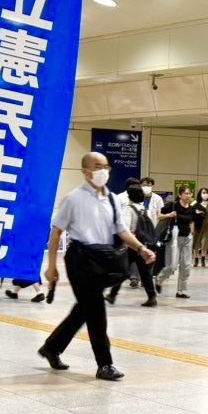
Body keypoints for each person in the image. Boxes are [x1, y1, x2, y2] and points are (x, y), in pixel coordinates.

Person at [39, 153, 158, 380]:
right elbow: (56, 233)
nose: (103, 170)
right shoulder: (73, 199)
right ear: (85, 171)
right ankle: (105, 364)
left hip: (103, 259)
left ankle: (52, 347)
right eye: (97, 166)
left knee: (84, 309)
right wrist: (51, 266)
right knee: (96, 311)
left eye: (106, 166)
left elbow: (122, 231)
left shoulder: (112, 199)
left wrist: (141, 249)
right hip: (80, 259)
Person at [109, 180, 159, 307]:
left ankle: (112, 294)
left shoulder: (128, 209)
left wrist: (127, 243)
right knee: (145, 273)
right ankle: (152, 296)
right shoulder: (143, 209)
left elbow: (126, 229)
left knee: (122, 270)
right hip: (143, 244)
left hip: (132, 246)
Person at [157, 185, 198, 298]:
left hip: (187, 238)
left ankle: (181, 291)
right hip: (175, 237)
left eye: (189, 193)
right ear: (180, 195)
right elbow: (159, 216)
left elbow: (192, 222)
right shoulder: (173, 205)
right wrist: (169, 215)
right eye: (185, 193)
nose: (188, 195)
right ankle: (159, 280)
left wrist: (191, 233)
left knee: (186, 266)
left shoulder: (192, 208)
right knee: (172, 265)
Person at [193, 187, 208, 267]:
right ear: (200, 194)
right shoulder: (195, 203)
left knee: (205, 243)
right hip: (197, 224)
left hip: (207, 224)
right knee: (196, 242)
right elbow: (191, 213)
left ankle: (203, 259)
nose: (205, 194)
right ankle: (195, 259)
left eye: (206, 192)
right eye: (203, 192)